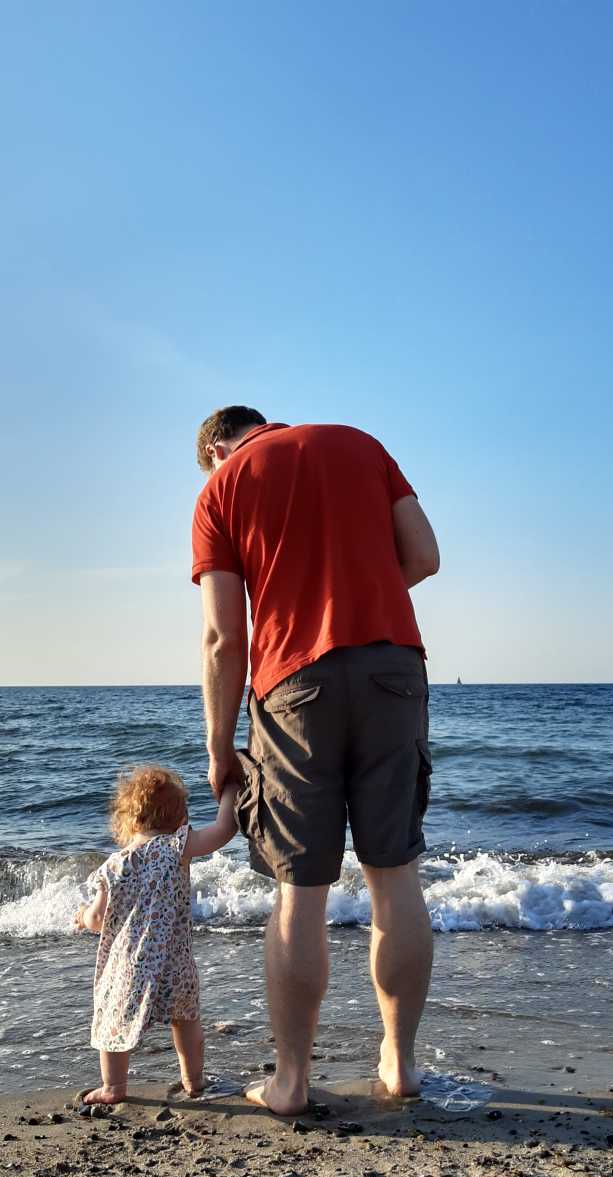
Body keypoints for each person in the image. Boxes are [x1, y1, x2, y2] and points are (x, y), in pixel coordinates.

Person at [191, 408, 440, 1115]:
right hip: (394, 666)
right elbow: (424, 556)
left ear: (215, 448)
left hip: (293, 683)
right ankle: (400, 1064)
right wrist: (358, 589)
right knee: (394, 877)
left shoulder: (221, 488)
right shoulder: (362, 443)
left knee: (300, 890)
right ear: (266, 422)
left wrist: (218, 744)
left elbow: (222, 637)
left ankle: (292, 1080)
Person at [74, 765, 237, 1105]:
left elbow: (98, 918)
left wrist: (82, 918)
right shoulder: (178, 847)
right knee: (186, 1021)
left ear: (129, 820)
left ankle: (114, 1087)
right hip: (176, 960)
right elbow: (223, 830)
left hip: (129, 963)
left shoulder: (116, 865)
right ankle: (193, 1081)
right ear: (180, 818)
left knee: (113, 1022)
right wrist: (231, 789)